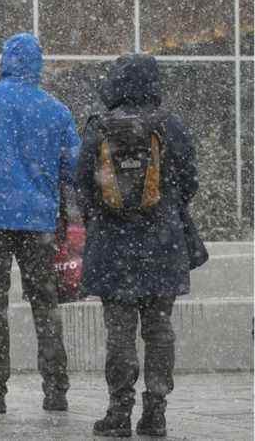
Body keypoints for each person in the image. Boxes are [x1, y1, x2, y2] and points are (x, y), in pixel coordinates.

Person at [0, 32, 81, 414]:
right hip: (38, 222)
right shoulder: (56, 109)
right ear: (39, 63)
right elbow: (74, 166)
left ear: (4, 61)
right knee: (46, 305)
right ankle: (56, 389)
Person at [76, 54, 198, 438]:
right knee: (159, 331)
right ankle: (156, 411)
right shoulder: (171, 127)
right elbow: (190, 181)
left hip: (114, 247)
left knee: (120, 332)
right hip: (162, 246)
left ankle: (119, 411)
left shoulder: (99, 128)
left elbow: (82, 186)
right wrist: (164, 209)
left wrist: (107, 214)